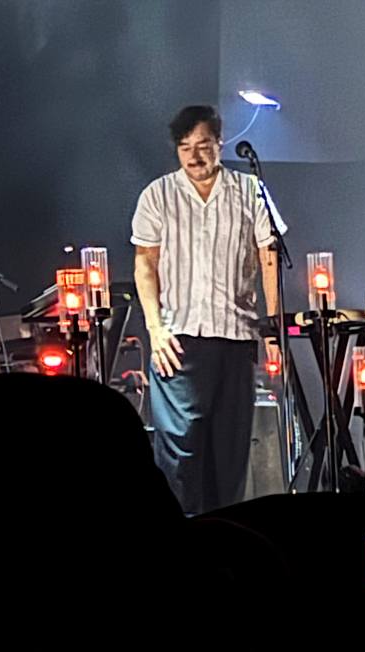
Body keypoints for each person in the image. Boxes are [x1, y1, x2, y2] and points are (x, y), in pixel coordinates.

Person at [131, 105, 284, 515]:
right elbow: (145, 264)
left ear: (220, 142)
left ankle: (224, 547)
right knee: (181, 451)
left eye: (203, 146)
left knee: (230, 452)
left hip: (235, 337)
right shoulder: (158, 194)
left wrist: (272, 329)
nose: (195, 157)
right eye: (185, 149)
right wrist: (155, 328)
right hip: (178, 339)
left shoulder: (250, 190)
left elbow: (269, 258)